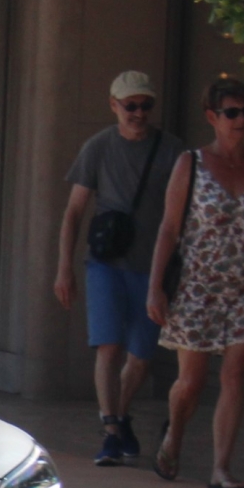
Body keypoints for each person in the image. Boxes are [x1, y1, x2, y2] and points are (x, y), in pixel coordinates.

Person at [148, 75, 244, 488]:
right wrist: (155, 286)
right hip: (198, 286)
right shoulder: (192, 163)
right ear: (213, 117)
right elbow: (169, 228)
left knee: (235, 375)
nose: (240, 120)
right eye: (232, 113)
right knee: (192, 381)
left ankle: (221, 468)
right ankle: (174, 435)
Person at [55, 71, 182, 467]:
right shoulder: (98, 148)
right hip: (106, 263)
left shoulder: (172, 151)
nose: (138, 113)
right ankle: (110, 429)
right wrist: (64, 268)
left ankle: (120, 415)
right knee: (108, 346)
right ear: (114, 105)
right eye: (130, 106)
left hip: (152, 267)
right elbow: (74, 211)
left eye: (145, 106)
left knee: (142, 355)